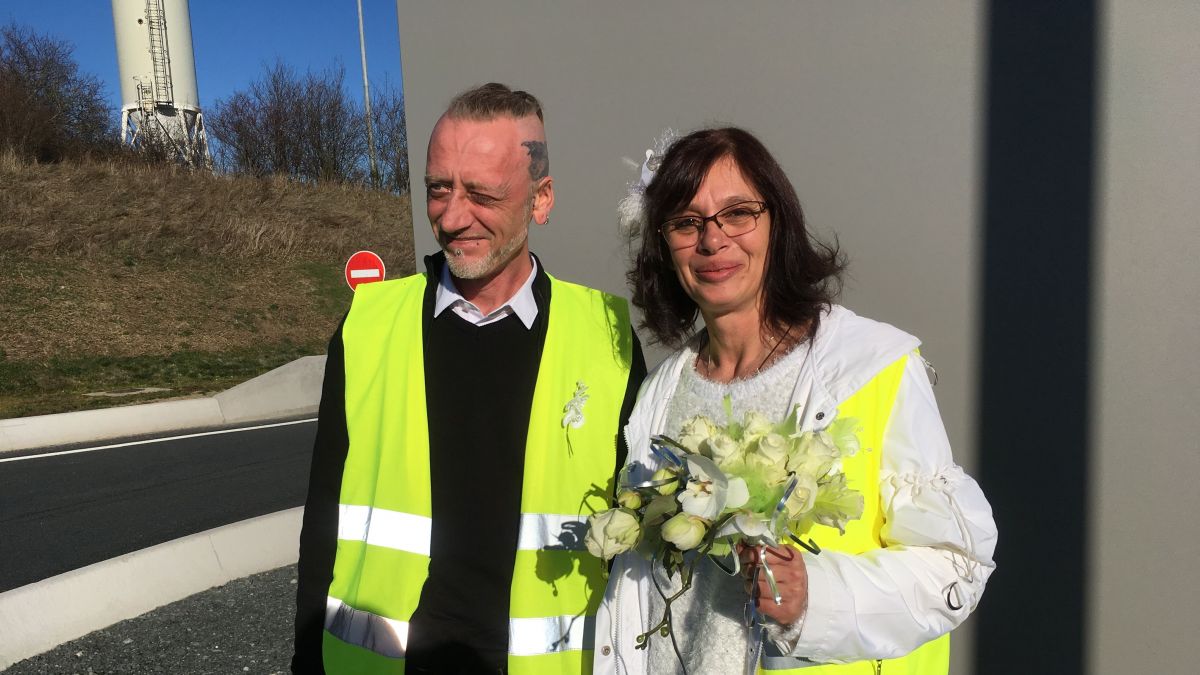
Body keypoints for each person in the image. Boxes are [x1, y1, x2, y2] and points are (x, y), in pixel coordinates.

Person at [593, 127, 997, 674]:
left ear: (776, 222)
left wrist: (819, 598)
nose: (713, 242)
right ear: (663, 244)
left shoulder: (870, 368)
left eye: (738, 213)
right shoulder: (660, 393)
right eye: (687, 223)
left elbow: (956, 563)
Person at [292, 83, 646, 674]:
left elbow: (636, 536)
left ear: (541, 198)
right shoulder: (367, 325)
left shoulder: (607, 335)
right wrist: (306, 660)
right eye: (438, 189)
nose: (453, 217)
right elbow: (323, 515)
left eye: (481, 193)